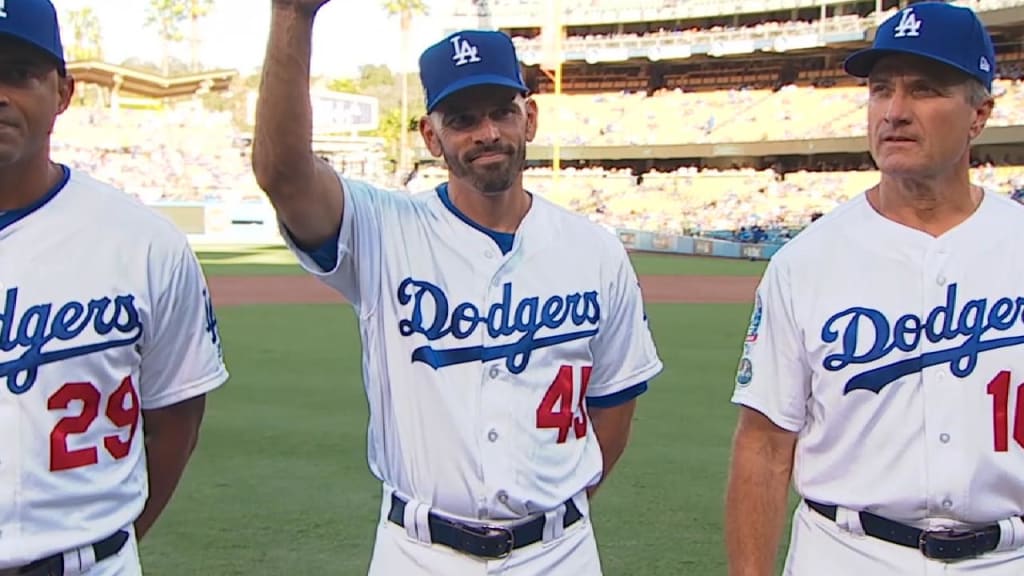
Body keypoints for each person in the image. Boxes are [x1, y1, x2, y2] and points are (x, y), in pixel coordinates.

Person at [252, 1, 663, 574]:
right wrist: (293, 17)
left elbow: (615, 404)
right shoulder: (382, 230)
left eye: (501, 111)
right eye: (463, 119)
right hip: (418, 552)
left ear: (531, 118)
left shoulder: (594, 250)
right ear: (430, 135)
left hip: (559, 553)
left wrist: (552, 512)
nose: (487, 132)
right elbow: (283, 174)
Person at [725, 3, 1024, 575]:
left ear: (979, 114)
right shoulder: (805, 261)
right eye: (880, 89)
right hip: (847, 553)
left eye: (925, 90)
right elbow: (762, 447)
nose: (894, 111)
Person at [0, 1, 230, 574]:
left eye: (18, 72)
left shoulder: (143, 242)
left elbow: (177, 419)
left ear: (63, 92)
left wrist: (111, 541)